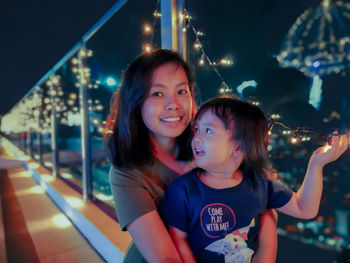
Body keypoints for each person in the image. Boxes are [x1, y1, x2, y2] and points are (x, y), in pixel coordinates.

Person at [104, 49, 278, 263]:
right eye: (157, 93)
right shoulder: (126, 173)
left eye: (181, 91)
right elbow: (166, 259)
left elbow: (265, 211)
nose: (173, 104)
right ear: (136, 102)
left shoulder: (215, 142)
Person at [160, 97, 348, 263]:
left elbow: (304, 209)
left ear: (239, 147)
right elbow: (178, 239)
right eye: (197, 129)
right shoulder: (183, 189)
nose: (197, 138)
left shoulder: (259, 185)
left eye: (208, 131)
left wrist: (316, 164)